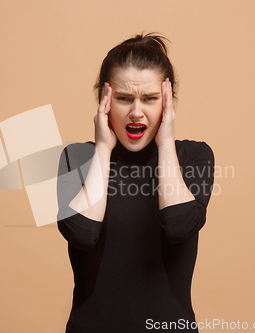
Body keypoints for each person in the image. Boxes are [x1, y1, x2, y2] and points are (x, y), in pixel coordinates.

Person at [56, 32, 214, 333]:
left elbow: (179, 226)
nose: (136, 112)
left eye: (151, 98)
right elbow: (81, 234)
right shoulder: (76, 157)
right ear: (105, 100)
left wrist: (166, 142)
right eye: (124, 98)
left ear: (167, 102)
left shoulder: (193, 155)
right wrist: (102, 149)